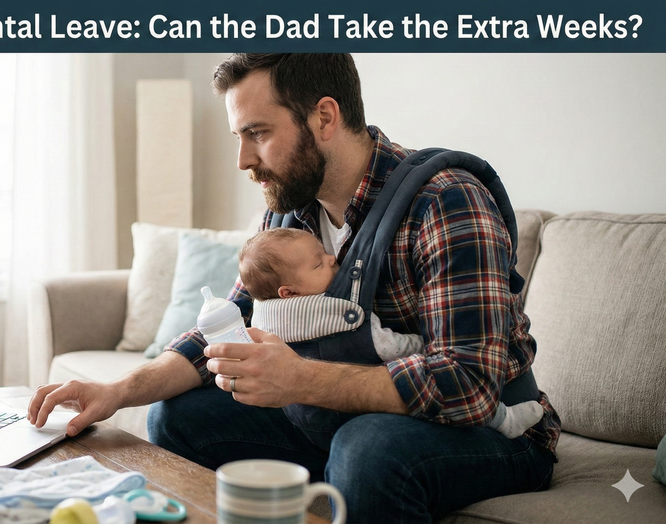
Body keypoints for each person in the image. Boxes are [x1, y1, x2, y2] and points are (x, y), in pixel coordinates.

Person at [29, 53, 560, 522]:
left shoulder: (445, 203)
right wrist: (120, 391)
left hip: (495, 434)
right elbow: (230, 323)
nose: (243, 160)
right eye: (239, 137)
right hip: (345, 419)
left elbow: (468, 385)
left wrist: (302, 379)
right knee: (177, 416)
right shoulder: (289, 212)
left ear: (324, 117)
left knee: (367, 449)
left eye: (257, 133)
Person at [238, 227, 544, 439]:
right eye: (320, 263)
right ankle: (506, 421)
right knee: (431, 400)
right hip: (374, 396)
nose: (333, 259)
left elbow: (233, 324)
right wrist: (423, 344)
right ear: (289, 292)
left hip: (313, 415)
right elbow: (388, 346)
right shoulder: (337, 312)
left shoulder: (265, 314)